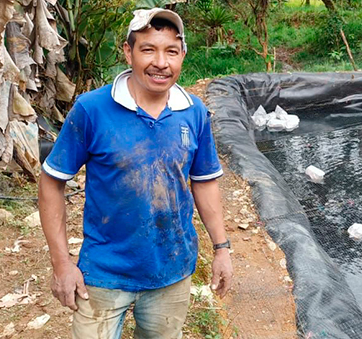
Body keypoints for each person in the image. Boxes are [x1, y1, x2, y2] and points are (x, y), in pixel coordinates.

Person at [38, 8, 233, 338]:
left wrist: (222, 248)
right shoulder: (92, 109)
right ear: (128, 52)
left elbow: (204, 182)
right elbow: (52, 182)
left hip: (171, 269)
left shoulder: (194, 112)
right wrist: (61, 264)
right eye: (148, 49)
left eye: (171, 51)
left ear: (182, 55)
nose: (161, 62)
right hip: (103, 272)